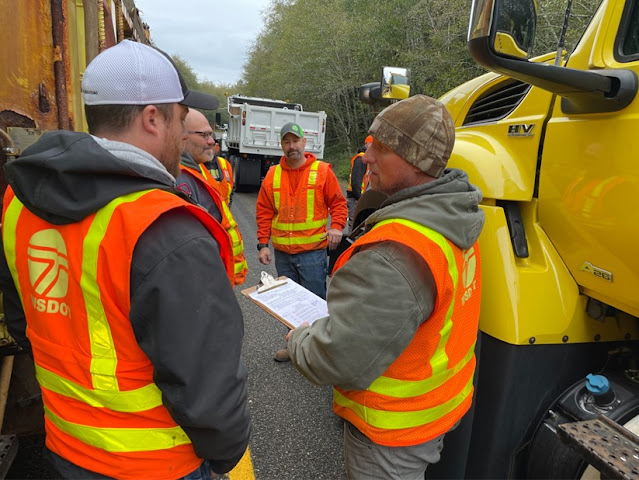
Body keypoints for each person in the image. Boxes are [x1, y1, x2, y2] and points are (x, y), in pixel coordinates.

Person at [0, 40, 250, 479]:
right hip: (155, 464)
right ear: (153, 118)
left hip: (67, 446)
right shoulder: (166, 229)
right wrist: (224, 455)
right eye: (178, 117)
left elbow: (24, 321)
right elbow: (206, 387)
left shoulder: (17, 202)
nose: (181, 131)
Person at [286, 94, 485, 479]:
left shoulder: (398, 250)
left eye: (382, 148)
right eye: (369, 144)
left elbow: (336, 357)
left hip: (391, 434)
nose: (367, 157)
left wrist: (300, 338)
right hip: (437, 409)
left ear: (417, 160)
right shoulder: (453, 214)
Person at [256, 121, 347, 361]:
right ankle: (295, 347)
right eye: (286, 142)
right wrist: (262, 243)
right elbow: (264, 210)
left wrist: (336, 227)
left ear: (304, 142)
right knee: (289, 304)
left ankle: (318, 350)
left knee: (315, 302)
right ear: (281, 145)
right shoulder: (273, 174)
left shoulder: (322, 171)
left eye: (295, 141)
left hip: (312, 253)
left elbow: (338, 202)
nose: (291, 146)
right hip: (283, 253)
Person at [178, 109, 248, 286]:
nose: (212, 141)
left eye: (211, 135)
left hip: (216, 276)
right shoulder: (178, 179)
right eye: (205, 135)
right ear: (180, 135)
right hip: (202, 281)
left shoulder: (198, 170)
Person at [345, 135, 372, 234]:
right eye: (373, 144)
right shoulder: (361, 159)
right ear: (367, 144)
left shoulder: (365, 158)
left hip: (357, 196)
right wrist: (359, 197)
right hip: (355, 197)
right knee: (354, 224)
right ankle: (350, 245)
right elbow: (356, 180)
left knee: (357, 223)